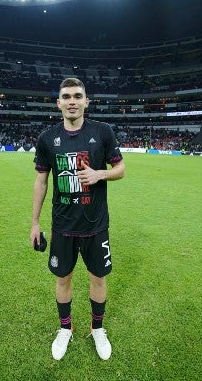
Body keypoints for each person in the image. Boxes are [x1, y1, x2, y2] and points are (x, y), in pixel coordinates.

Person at [30, 77, 125, 361]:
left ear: (86, 101)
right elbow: (41, 182)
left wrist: (100, 174)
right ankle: (65, 329)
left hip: (96, 225)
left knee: (98, 278)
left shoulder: (103, 131)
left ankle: (97, 329)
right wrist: (35, 222)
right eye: (66, 96)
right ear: (58, 103)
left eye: (77, 96)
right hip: (63, 226)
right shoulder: (47, 138)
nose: (72, 101)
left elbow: (120, 169)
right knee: (63, 279)